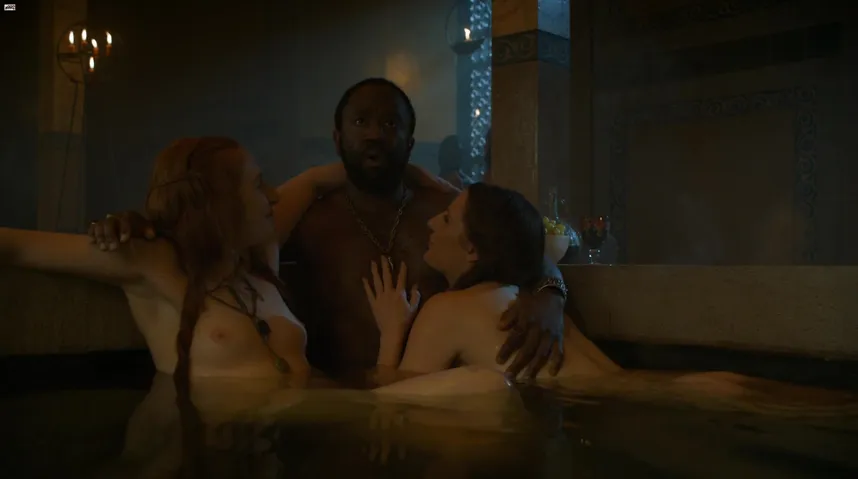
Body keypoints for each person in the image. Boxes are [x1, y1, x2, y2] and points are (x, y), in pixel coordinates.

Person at [89, 78, 569, 382]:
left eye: (390, 123)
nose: (375, 133)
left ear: (410, 142)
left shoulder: (444, 211)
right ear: (338, 139)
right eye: (361, 122)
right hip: (331, 402)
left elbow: (525, 247)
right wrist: (136, 225)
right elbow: (211, 236)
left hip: (429, 404)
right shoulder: (310, 217)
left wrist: (550, 296)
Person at [0, 137, 358, 386]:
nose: (274, 195)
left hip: (286, 433)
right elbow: (19, 248)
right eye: (257, 184)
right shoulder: (154, 260)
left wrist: (398, 173)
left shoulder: (257, 256)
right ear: (218, 201)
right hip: (208, 443)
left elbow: (314, 181)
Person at [366, 182, 618, 391]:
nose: (432, 222)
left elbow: (393, 411)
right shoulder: (528, 301)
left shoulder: (447, 310)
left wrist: (391, 334)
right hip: (624, 386)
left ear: (472, 249)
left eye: (447, 219)